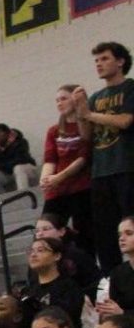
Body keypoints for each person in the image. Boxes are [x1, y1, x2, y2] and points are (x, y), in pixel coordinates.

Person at [73, 42, 134, 273]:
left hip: (127, 167)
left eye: (104, 59)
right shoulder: (96, 97)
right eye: (96, 60)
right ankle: (112, 279)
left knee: (130, 222)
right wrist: (80, 113)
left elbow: (125, 121)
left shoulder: (130, 88)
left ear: (120, 61)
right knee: (105, 232)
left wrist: (89, 113)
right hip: (101, 172)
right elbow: (86, 136)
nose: (99, 64)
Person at [41, 84, 93, 258]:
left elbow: (84, 157)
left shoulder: (85, 126)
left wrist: (59, 177)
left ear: (75, 99)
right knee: (46, 233)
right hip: (57, 190)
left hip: (81, 187)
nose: (59, 103)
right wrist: (46, 178)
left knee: (85, 236)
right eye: (56, 100)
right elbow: (50, 159)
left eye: (63, 98)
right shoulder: (54, 130)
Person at [19, 235, 85, 328]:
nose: (33, 255)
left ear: (57, 256)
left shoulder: (69, 287)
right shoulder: (27, 291)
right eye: (31, 251)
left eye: (40, 250)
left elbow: (69, 318)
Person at [0, 123, 36, 196]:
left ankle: (23, 196)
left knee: (18, 168)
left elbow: (21, 160)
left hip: (26, 169)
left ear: (6, 133)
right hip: (6, 173)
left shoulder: (20, 141)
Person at [99, 216, 134, 315]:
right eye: (120, 235)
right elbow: (113, 307)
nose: (122, 238)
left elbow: (119, 311)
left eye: (129, 233)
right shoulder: (118, 273)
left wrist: (123, 313)